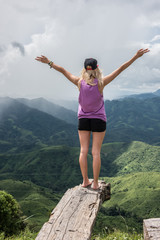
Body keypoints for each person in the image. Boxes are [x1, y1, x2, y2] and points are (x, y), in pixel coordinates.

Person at [35, 48, 149, 190]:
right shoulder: (101, 83)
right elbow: (120, 69)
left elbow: (63, 70)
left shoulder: (78, 81)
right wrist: (136, 57)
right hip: (99, 120)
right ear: (97, 68)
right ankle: (95, 183)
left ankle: (85, 181)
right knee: (96, 153)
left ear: (84, 69)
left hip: (83, 119)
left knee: (83, 151)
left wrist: (49, 62)